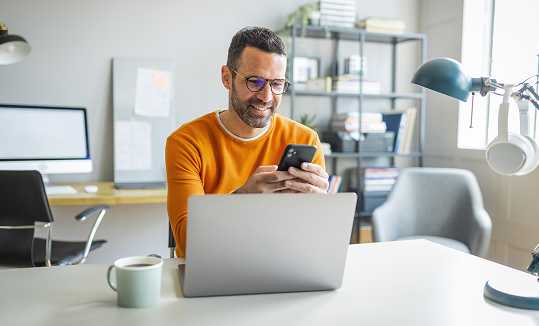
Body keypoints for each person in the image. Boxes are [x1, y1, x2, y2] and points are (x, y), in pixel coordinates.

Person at [165, 26, 329, 257]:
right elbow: (188, 242)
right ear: (227, 78)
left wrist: (323, 209)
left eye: (277, 84)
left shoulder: (305, 140)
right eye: (255, 81)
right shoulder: (186, 143)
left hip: (279, 264)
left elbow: (313, 239)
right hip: (211, 267)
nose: (266, 97)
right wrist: (241, 200)